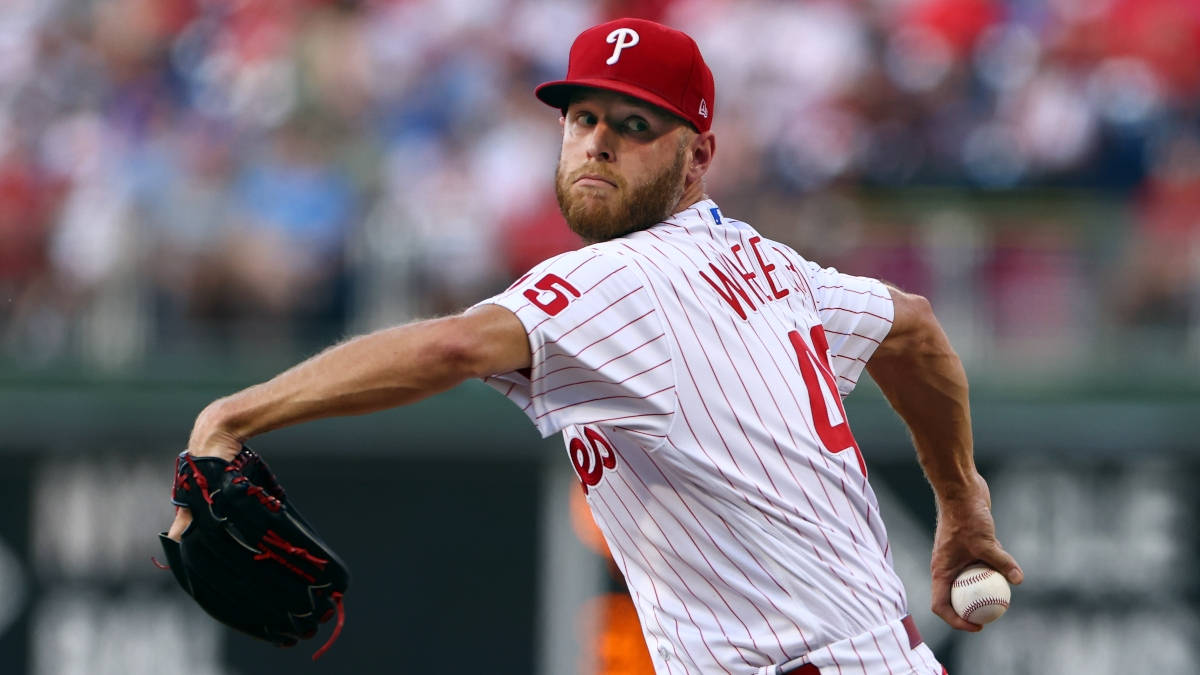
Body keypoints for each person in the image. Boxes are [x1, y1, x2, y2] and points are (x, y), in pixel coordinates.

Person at [167, 18, 1023, 674]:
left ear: (698, 158)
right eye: (582, 117)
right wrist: (961, 502)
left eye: (636, 124)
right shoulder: (770, 266)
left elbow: (454, 348)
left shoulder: (628, 280)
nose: (599, 140)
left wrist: (232, 412)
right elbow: (910, 326)